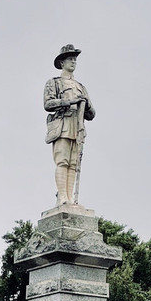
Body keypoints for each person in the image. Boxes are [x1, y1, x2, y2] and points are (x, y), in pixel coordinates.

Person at [44, 44, 95, 207]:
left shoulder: (81, 87)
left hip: (77, 127)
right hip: (62, 125)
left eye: (75, 59)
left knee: (73, 164)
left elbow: (91, 114)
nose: (73, 62)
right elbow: (48, 104)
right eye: (70, 59)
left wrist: (85, 104)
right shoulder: (54, 83)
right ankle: (62, 197)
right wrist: (69, 101)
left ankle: (70, 198)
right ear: (62, 63)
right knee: (62, 161)